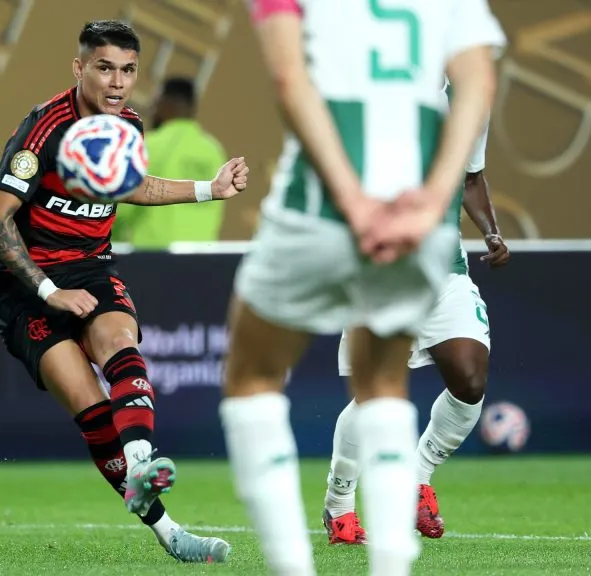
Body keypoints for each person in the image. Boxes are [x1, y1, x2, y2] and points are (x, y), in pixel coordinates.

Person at [219, 1, 505, 575]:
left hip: (318, 209)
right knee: (384, 387)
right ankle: (384, 557)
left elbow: (287, 77)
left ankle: (293, 566)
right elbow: (478, 78)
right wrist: (427, 203)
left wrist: (352, 200)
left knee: (252, 378)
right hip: (409, 224)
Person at [0, 19, 248, 564]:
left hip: (92, 269)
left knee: (121, 343)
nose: (117, 82)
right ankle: (171, 534)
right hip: (26, 286)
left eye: (127, 70)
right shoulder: (43, 130)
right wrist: (49, 290)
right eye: (104, 67)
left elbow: (133, 186)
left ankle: (142, 459)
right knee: (91, 408)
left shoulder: (128, 125)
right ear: (80, 69)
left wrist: (207, 190)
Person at [323, 82, 511, 545]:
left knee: (470, 380)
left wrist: (491, 232)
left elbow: (470, 178)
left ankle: (417, 475)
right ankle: (339, 504)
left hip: (445, 271)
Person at [114, 77, 229, 249]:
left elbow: (122, 207)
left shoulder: (151, 145)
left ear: (165, 104)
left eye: (155, 102)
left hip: (155, 257)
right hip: (202, 259)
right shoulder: (214, 151)